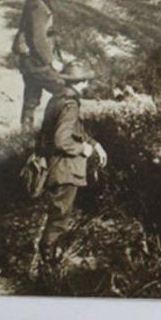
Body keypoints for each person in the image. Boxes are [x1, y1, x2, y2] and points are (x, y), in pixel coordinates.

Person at [37, 62, 107, 264]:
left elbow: (75, 129)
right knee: (60, 216)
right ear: (82, 81)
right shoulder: (71, 104)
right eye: (86, 81)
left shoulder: (58, 98)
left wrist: (94, 143)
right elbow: (62, 139)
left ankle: (51, 258)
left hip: (57, 165)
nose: (87, 85)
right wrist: (82, 149)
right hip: (65, 168)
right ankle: (48, 263)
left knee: (60, 213)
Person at [13, 0, 67, 131]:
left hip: (28, 61)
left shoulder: (33, 1)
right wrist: (51, 61)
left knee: (31, 97)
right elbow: (38, 38)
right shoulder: (39, 5)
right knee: (64, 91)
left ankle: (25, 132)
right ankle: (56, 130)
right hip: (37, 62)